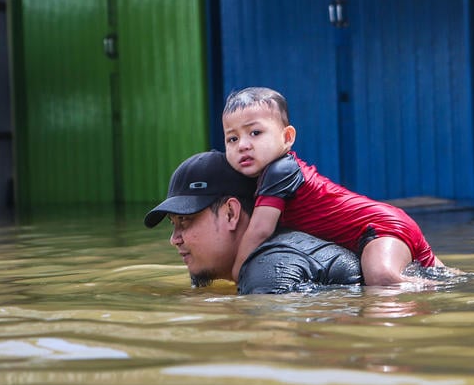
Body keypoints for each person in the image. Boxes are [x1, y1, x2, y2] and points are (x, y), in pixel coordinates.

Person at [222, 86, 445, 285]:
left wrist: (237, 270)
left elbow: (260, 230)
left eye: (255, 133)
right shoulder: (268, 175)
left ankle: (433, 288)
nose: (243, 145)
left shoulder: (280, 170)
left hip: (378, 228)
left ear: (287, 137)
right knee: (447, 274)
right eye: (232, 139)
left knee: (381, 279)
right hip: (383, 225)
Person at [144, 151, 363, 295]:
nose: (174, 239)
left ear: (231, 213)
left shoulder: (268, 267)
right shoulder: (272, 257)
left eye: (185, 220)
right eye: (173, 223)